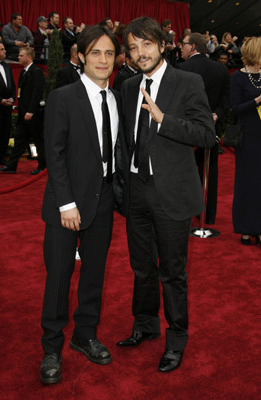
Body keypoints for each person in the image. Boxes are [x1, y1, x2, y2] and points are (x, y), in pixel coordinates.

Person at [116, 17, 215, 373]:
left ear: (162, 44)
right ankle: (145, 324)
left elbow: (207, 135)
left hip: (170, 193)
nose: (140, 53)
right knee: (142, 267)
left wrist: (163, 119)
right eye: (133, 47)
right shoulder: (127, 87)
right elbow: (124, 139)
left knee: (172, 272)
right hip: (136, 190)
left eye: (146, 44)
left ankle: (176, 338)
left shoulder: (188, 82)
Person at [40, 25, 126, 385]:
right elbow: (54, 156)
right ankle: (51, 347)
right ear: (80, 56)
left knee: (94, 274)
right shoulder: (63, 97)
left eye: (109, 53)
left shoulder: (117, 98)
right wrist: (67, 204)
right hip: (67, 205)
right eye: (95, 53)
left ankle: (84, 334)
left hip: (103, 200)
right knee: (59, 277)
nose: (103, 60)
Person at [179, 33, 230, 225]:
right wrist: (215, 116)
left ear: (192, 47)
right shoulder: (221, 69)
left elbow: (178, 103)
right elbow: (226, 100)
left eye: (183, 44)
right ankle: (207, 215)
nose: (180, 48)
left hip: (186, 131)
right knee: (210, 170)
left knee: (183, 170)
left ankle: (185, 213)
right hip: (212, 128)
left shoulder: (182, 69)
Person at [230, 36, 261, 246]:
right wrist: (257, 100)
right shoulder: (238, 78)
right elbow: (236, 109)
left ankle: (258, 228)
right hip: (248, 137)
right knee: (246, 183)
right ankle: (244, 228)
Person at [0, 47, 45, 175]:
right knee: (19, 140)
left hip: (32, 114)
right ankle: (11, 166)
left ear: (29, 57)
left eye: (21, 55)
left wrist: (31, 111)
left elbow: (36, 93)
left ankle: (43, 165)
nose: (18, 57)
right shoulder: (23, 72)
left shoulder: (36, 71)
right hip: (23, 114)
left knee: (39, 140)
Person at [0, 40, 16, 166]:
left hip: (7, 108)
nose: (5, 51)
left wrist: (12, 98)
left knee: (5, 134)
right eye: (2, 49)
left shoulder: (7, 66)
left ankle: (1, 157)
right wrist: (0, 100)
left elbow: (12, 85)